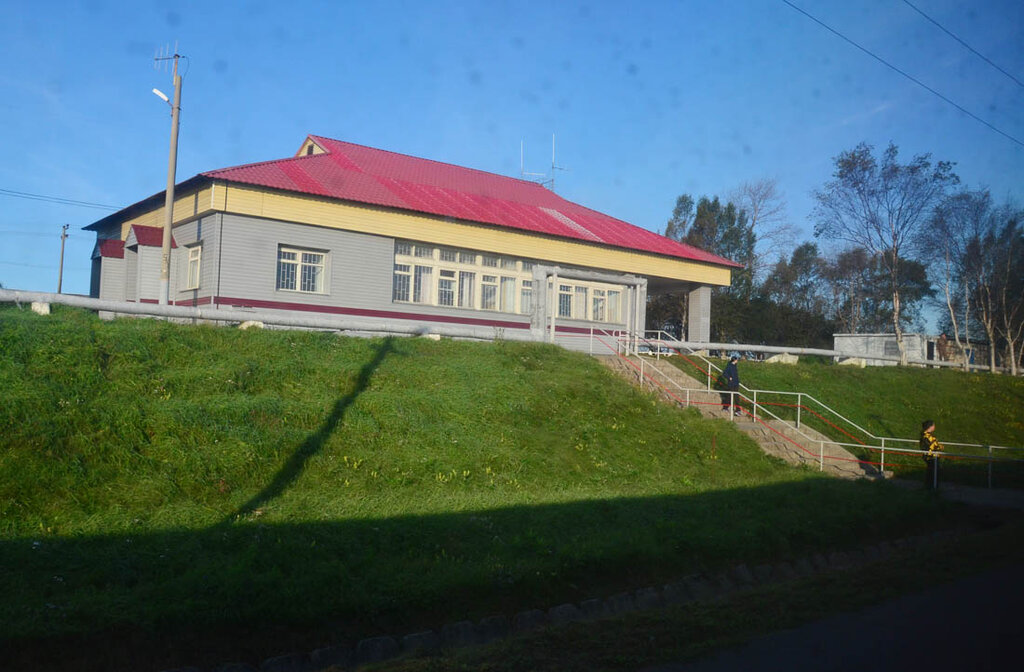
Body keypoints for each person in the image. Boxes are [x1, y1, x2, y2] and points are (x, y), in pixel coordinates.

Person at [920, 419, 943, 490]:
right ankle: (932, 487)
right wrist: (941, 447)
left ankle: (929, 487)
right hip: (932, 457)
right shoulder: (928, 437)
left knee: (930, 472)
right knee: (933, 473)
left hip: (928, 457)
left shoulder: (924, 435)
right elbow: (936, 446)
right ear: (930, 427)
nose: (934, 427)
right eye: (933, 425)